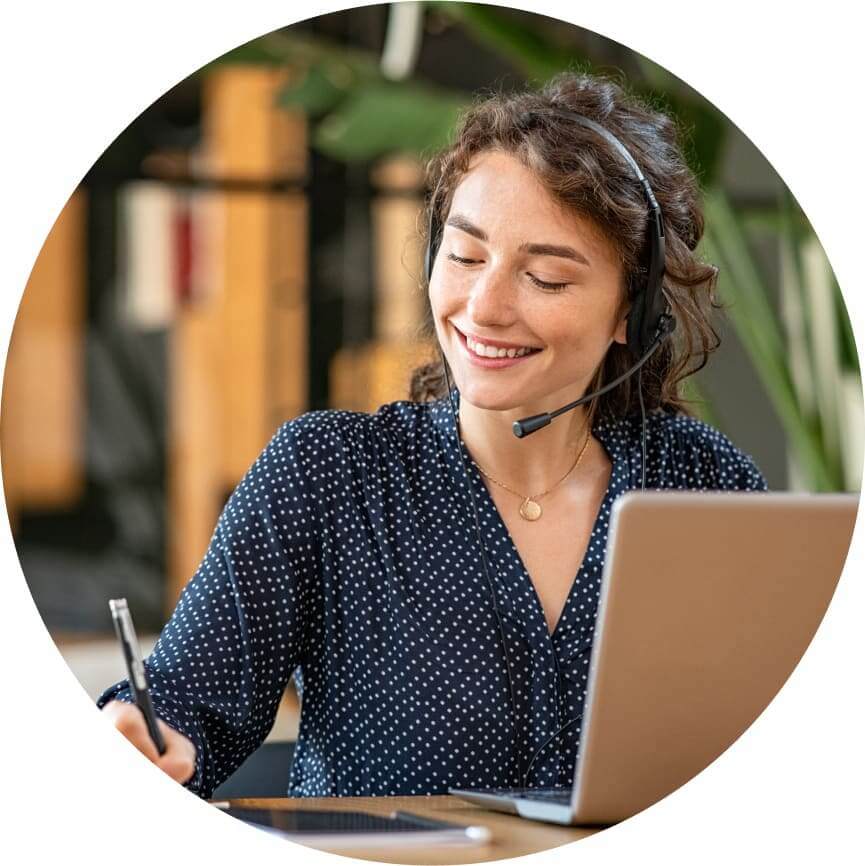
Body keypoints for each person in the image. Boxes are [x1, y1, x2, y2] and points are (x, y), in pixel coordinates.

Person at [99, 71, 767, 799]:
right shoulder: (326, 474)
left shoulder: (705, 484)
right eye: (465, 256)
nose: (484, 307)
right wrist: (139, 734)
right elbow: (182, 709)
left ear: (629, 316)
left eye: (544, 277)